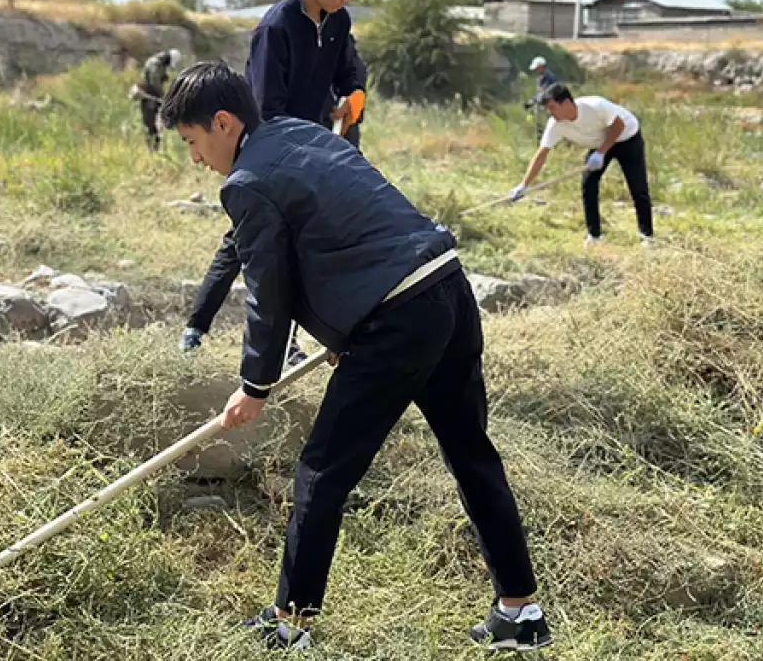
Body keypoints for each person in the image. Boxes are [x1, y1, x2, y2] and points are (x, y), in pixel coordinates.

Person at [160, 60, 552, 653]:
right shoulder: (304, 132)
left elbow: (270, 292)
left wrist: (255, 384)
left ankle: (290, 625)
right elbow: (348, 232)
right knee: (472, 453)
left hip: (396, 316)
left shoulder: (245, 183)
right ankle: (521, 613)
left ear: (222, 122)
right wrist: (345, 334)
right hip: (444, 284)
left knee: (321, 473)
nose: (195, 158)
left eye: (192, 142)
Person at [179, 0, 368, 358]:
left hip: (314, 150)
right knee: (247, 242)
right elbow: (266, 106)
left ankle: (294, 340)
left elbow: (350, 72)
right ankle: (197, 330)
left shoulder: (338, 21)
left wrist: (354, 96)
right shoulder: (276, 28)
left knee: (298, 243)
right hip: (273, 151)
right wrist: (297, 151)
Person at [511, 83, 654, 247]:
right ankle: (594, 237)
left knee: (638, 188)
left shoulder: (595, 106)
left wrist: (601, 153)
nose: (550, 113)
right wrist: (524, 184)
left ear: (566, 103)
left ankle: (647, 236)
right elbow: (541, 154)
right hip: (600, 144)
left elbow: (618, 125)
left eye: (552, 107)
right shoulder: (556, 124)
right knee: (588, 185)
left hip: (627, 138)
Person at [137, 48, 182, 152]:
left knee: (156, 125)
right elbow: (154, 83)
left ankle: (155, 149)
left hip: (154, 98)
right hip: (149, 98)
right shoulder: (155, 64)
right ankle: (152, 150)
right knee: (150, 124)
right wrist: (163, 96)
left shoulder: (160, 64)